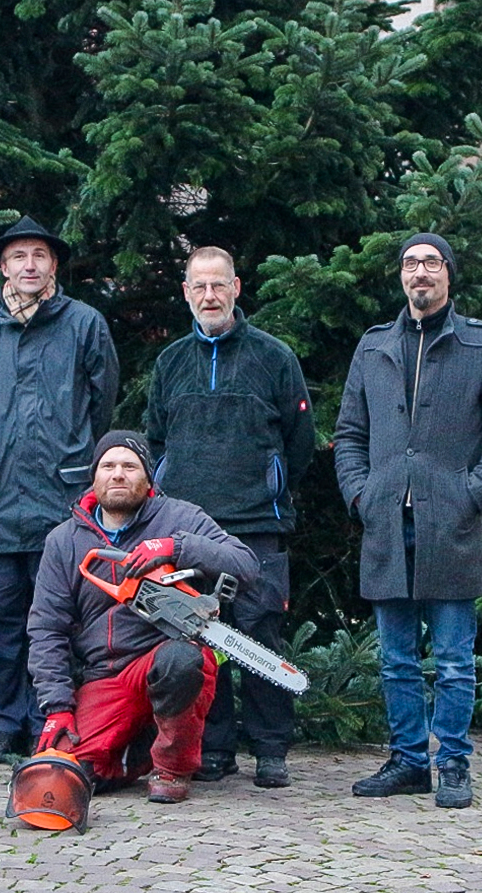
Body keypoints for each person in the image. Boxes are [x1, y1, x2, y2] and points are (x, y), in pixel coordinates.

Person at [332, 232, 482, 809]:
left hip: (452, 524)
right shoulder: (373, 347)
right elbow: (350, 434)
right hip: (386, 523)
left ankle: (454, 762)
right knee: (395, 658)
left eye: (431, 263)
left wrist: (470, 495)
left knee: (454, 660)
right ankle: (409, 761)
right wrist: (362, 495)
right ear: (401, 275)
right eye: (411, 263)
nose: (420, 272)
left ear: (448, 273)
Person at [144, 247, 315, 789]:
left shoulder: (274, 357)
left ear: (236, 288)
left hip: (257, 523)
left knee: (259, 637)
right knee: (198, 635)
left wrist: (271, 486)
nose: (209, 296)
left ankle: (270, 749)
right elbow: (155, 438)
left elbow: (300, 441)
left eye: (219, 285)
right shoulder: (170, 361)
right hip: (187, 528)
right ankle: (213, 748)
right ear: (186, 293)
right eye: (199, 286)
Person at [0, 216, 121, 765]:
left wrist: (73, 457)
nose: (30, 265)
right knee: (2, 620)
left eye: (40, 255)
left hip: (62, 501)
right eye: (19, 257)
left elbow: (102, 405)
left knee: (62, 622)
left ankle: (54, 724)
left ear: (54, 265)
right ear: (3, 267)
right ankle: (6, 726)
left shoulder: (84, 323)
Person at [27, 431, 260, 803]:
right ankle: (138, 753)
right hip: (105, 675)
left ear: (149, 478)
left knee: (183, 660)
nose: (118, 474)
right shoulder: (64, 541)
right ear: (94, 477)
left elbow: (245, 564)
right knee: (66, 773)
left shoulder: (180, 517)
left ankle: (172, 767)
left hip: (163, 657)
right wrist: (57, 707)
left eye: (129, 466)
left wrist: (176, 546)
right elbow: (46, 628)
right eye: (108, 466)